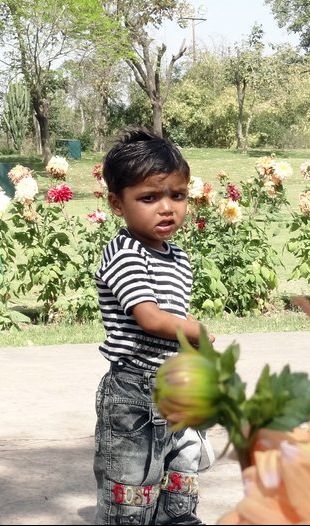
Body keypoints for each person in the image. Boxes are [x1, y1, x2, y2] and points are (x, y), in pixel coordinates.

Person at [92, 126, 213, 525]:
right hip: (135, 391)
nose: (167, 207)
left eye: (177, 195)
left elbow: (174, 315)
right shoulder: (124, 252)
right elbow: (151, 318)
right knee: (133, 490)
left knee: (181, 478)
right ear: (116, 203)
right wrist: (198, 333)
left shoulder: (177, 256)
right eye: (149, 197)